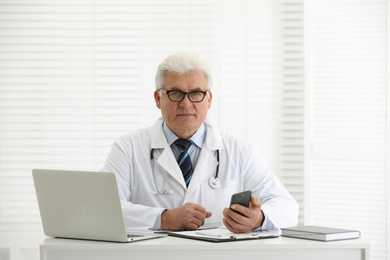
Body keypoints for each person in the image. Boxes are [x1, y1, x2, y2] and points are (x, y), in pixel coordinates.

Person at [102, 52, 298, 233]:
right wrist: (163, 218)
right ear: (158, 98)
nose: (186, 104)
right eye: (176, 93)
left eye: (196, 93)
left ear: (209, 99)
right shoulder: (128, 148)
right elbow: (103, 209)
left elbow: (287, 206)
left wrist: (259, 219)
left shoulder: (240, 151)